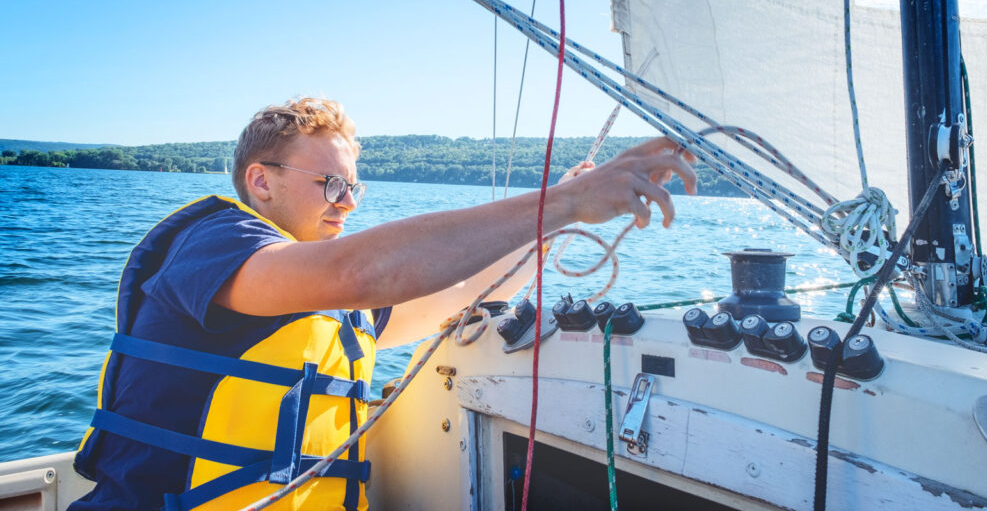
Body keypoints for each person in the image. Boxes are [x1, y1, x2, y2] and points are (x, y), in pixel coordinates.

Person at [70, 98, 697, 510]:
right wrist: (562, 203)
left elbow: (467, 296)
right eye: (331, 184)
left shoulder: (336, 303)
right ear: (261, 181)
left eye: (354, 187)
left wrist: (552, 222)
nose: (347, 202)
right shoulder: (216, 245)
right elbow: (366, 270)